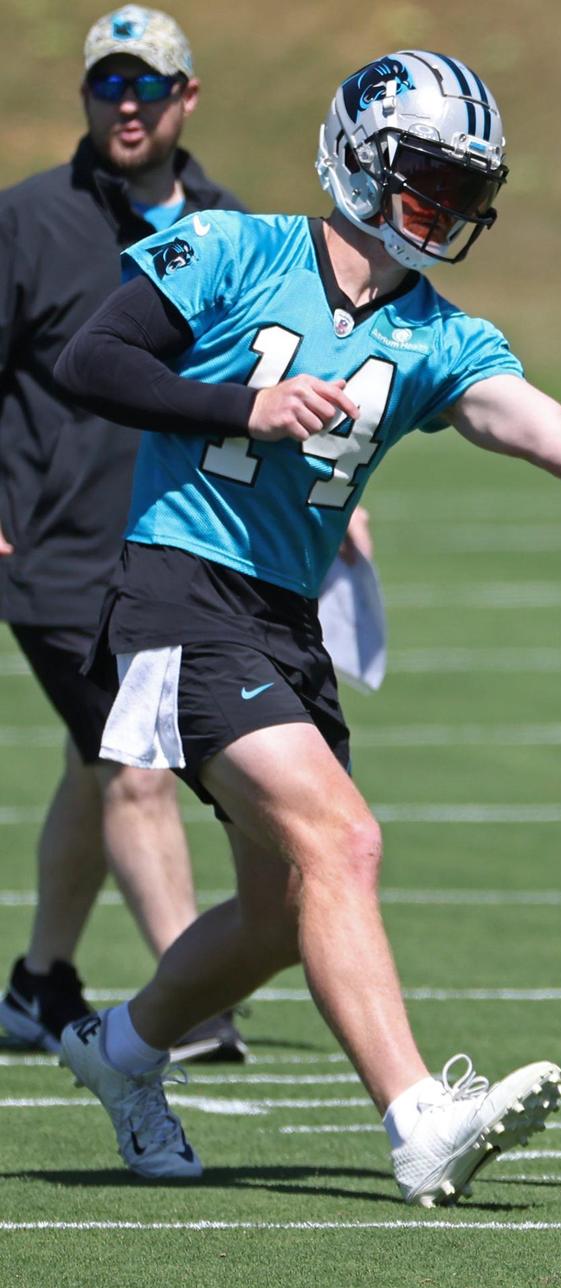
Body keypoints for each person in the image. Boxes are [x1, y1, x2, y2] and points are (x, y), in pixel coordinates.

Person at [52, 49, 561, 1204]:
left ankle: (118, 1052)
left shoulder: (438, 335)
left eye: (465, 188)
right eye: (428, 177)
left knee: (284, 913)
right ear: (359, 160)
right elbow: (94, 355)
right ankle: (418, 1120)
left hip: (285, 616)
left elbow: (558, 431)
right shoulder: (237, 247)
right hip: (182, 587)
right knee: (344, 840)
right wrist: (247, 404)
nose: (448, 207)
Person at [0, 6, 250, 1062]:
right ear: (88, 97)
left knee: (91, 759)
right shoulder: (30, 220)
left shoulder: (233, 229)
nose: (129, 103)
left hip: (176, 548)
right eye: (109, 84)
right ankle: (188, 996)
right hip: (52, 552)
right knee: (135, 764)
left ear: (187, 96)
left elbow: (262, 377)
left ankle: (38, 982)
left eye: (148, 84)